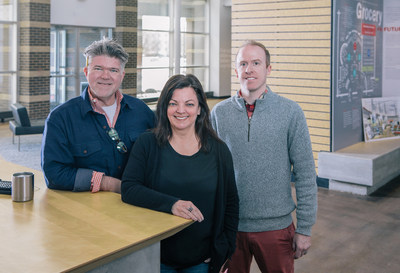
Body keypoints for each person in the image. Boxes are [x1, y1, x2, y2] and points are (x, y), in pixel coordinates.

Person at [210, 40, 318, 273]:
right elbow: (210, 172)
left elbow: (306, 173)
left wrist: (305, 228)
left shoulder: (290, 112)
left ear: (268, 68)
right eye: (243, 63)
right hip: (230, 226)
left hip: (276, 228)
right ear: (236, 70)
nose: (249, 69)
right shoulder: (219, 113)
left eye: (256, 63)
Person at [121, 74, 239, 273]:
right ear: (164, 107)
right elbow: (129, 188)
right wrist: (172, 204)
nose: (181, 110)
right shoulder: (147, 144)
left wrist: (224, 252)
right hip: (156, 259)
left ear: (200, 108)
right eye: (173, 103)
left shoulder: (219, 151)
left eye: (189, 104)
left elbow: (231, 203)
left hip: (202, 261)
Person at [41, 38, 155, 193]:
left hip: (140, 202)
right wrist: (107, 183)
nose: (105, 76)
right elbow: (54, 173)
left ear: (122, 75)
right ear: (86, 72)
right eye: (98, 68)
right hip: (89, 209)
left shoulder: (141, 111)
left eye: (113, 70)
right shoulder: (60, 118)